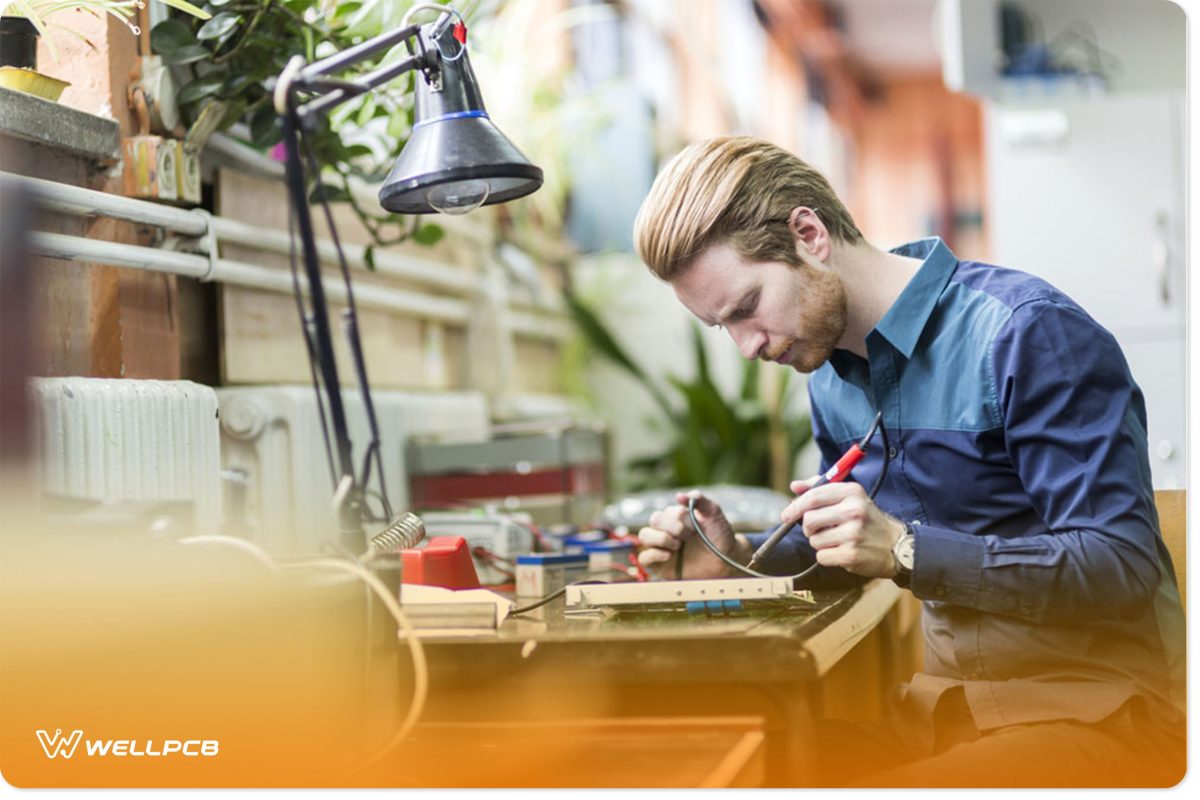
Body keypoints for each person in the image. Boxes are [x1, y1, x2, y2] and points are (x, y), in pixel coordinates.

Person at [631, 136, 1185, 787]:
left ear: (808, 234)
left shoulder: (1025, 334)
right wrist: (739, 561)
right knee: (727, 771)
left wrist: (906, 550)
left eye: (747, 308)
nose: (746, 346)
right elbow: (849, 548)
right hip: (942, 713)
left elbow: (1122, 566)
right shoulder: (829, 379)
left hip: (1099, 715)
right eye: (721, 326)